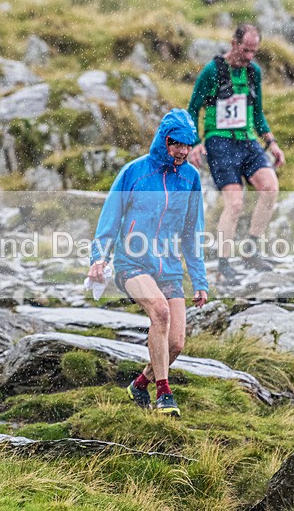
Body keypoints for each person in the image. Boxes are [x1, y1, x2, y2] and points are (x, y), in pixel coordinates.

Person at [87, 108, 208, 417]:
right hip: (132, 262)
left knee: (177, 343)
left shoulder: (191, 179)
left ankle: (139, 383)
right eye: (176, 144)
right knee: (160, 312)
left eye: (187, 145)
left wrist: (200, 280)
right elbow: (109, 219)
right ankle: (164, 394)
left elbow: (192, 233)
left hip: (168, 267)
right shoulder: (134, 172)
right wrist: (98, 258)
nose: (182, 151)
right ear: (163, 140)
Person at [187, 23, 285, 282]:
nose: (249, 56)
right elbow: (192, 109)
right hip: (219, 142)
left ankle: (251, 250)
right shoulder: (212, 71)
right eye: (245, 50)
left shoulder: (254, 73)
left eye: (254, 51)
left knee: (270, 187)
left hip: (247, 140)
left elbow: (257, 111)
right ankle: (223, 263)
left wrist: (271, 141)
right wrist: (195, 142)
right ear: (234, 44)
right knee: (235, 203)